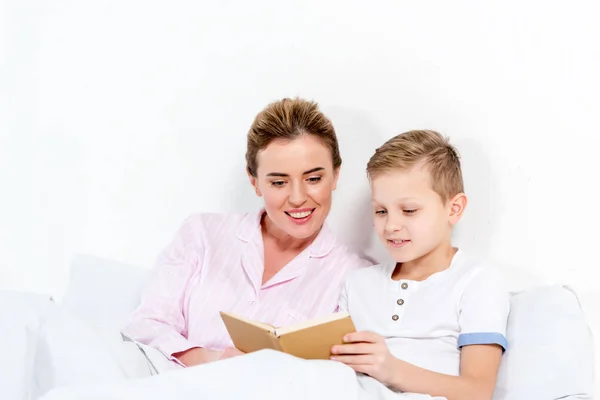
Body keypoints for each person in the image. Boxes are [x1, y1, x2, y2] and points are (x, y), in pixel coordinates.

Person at [122, 98, 372, 367]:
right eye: (278, 182)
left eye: (313, 179)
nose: (298, 198)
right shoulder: (202, 234)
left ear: (335, 175)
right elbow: (147, 324)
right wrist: (211, 360)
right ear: (255, 183)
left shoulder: (356, 279)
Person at [330, 130, 510, 399]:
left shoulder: (476, 282)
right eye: (381, 211)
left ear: (454, 208)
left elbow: (478, 391)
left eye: (409, 210)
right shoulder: (357, 283)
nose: (391, 225)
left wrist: (392, 370)